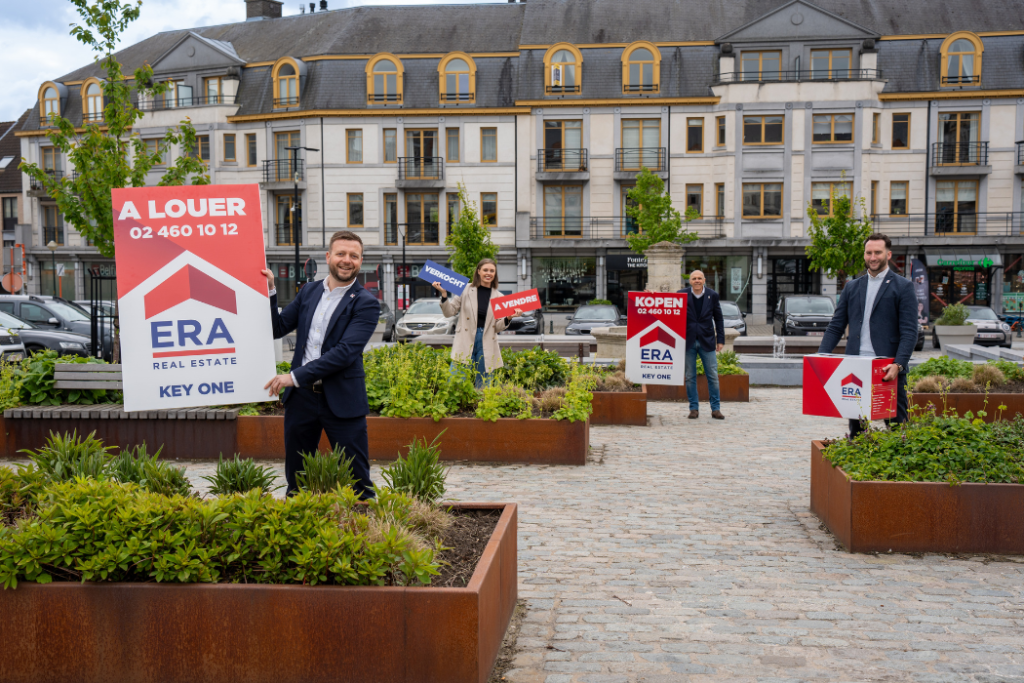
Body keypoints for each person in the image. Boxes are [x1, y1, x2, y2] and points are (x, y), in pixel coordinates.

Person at [261, 230, 380, 498]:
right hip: (301, 399)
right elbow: (277, 328)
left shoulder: (366, 303)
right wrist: (270, 290)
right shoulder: (309, 291)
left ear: (361, 261)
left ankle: (363, 522)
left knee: (357, 480)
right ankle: (299, 519)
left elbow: (344, 353)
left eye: (354, 256)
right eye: (341, 253)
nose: (347, 260)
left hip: (342, 398)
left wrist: (293, 377)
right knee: (297, 479)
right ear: (328, 257)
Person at [817, 233, 918, 439]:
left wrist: (898, 364)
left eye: (878, 252)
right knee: (857, 431)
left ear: (888, 254)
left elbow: (909, 331)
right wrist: (820, 358)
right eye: (869, 252)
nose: (873, 257)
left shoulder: (903, 287)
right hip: (856, 367)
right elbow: (836, 326)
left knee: (897, 429)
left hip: (888, 368)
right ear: (864, 254)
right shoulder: (852, 287)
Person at [432, 258, 523, 387]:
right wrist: (444, 294)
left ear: (495, 273)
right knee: (456, 381)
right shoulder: (465, 289)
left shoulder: (499, 297)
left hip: (486, 340)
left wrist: (508, 317)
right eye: (485, 270)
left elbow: (497, 327)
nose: (488, 273)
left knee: (483, 383)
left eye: (492, 271)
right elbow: (449, 312)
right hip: (465, 338)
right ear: (478, 271)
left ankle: (481, 400)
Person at [679, 270, 726, 420]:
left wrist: (720, 340)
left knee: (712, 376)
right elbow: (666, 305)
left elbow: (718, 319)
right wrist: (652, 295)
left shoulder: (713, 295)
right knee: (690, 377)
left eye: (699, 278)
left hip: (707, 341)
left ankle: (716, 409)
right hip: (688, 341)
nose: (697, 280)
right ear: (690, 281)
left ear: (704, 280)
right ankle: (694, 409)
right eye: (694, 278)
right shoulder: (681, 294)